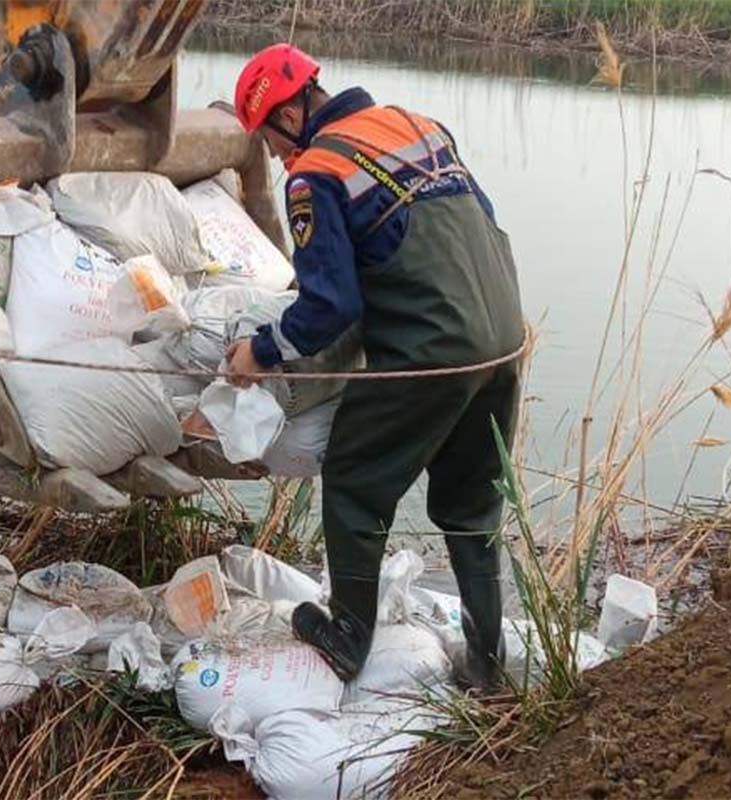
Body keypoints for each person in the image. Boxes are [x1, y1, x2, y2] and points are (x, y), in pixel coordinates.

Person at [225, 44, 526, 690]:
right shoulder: (417, 126)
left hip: (432, 351)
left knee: (355, 475)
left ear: (289, 114)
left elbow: (331, 307)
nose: (275, 156)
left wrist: (260, 351)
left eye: (270, 140)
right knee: (473, 505)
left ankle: (348, 637)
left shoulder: (316, 173)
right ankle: (487, 666)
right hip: (503, 339)